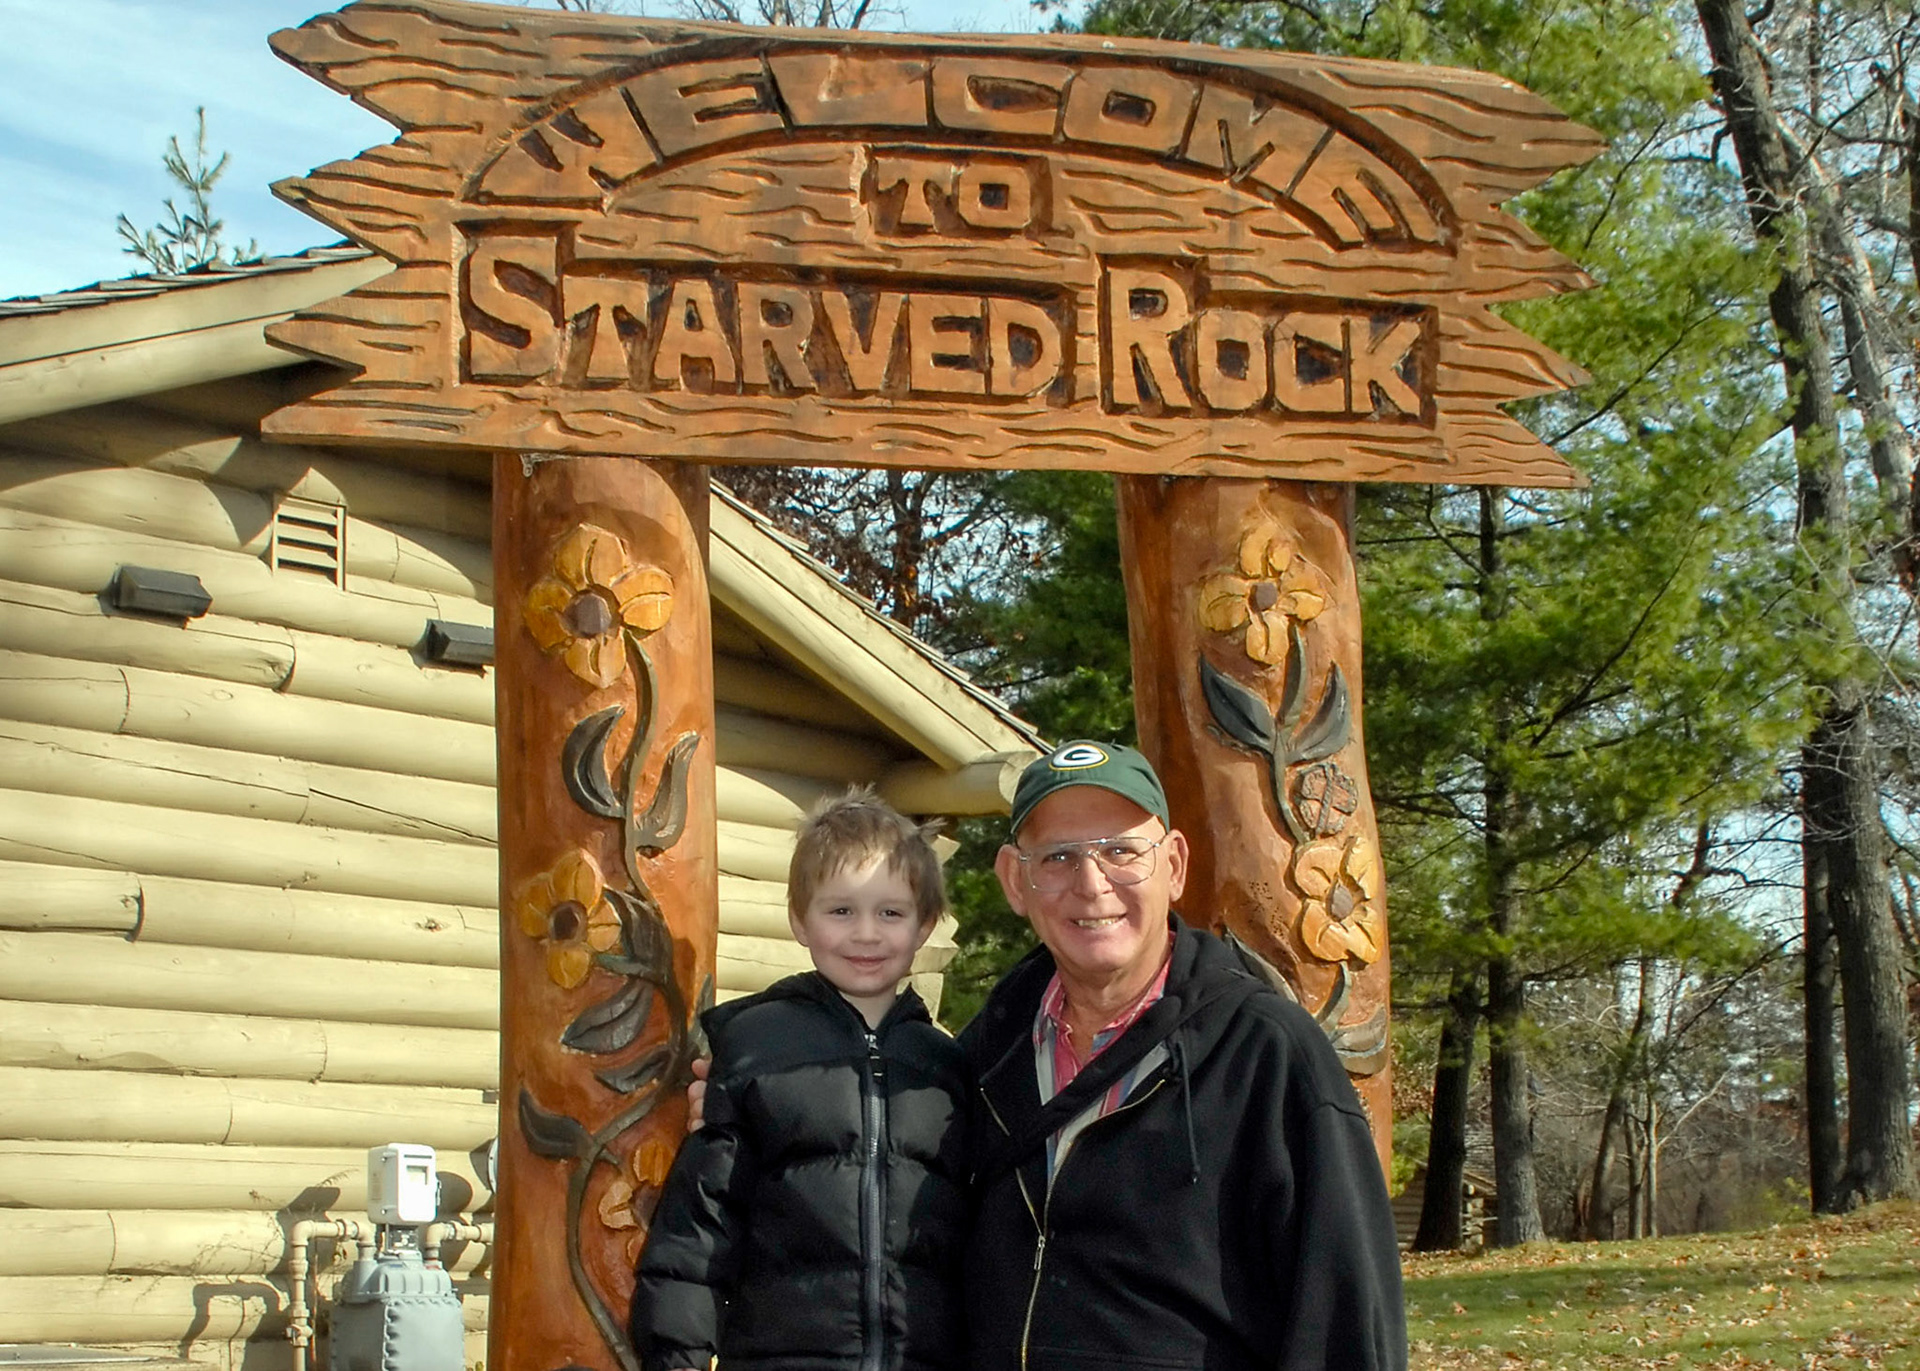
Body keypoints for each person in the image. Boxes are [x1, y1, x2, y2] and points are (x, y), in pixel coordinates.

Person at [958, 740, 1407, 1371]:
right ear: (1015, 880)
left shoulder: (1268, 1056)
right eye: (1058, 857)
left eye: (1121, 852)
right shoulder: (981, 1059)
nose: (1092, 885)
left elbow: (1344, 1325)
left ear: (1173, 865)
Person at [629, 790, 970, 1371]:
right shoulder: (756, 1048)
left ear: (925, 926)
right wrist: (677, 1351)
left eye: (891, 913)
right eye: (840, 911)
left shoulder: (946, 1069)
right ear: (799, 920)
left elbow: (971, 1244)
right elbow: (704, 1217)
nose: (866, 933)